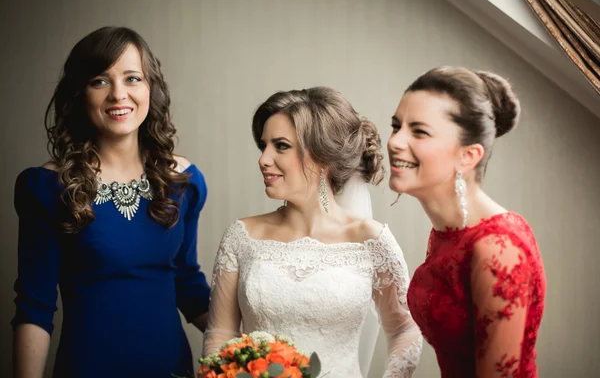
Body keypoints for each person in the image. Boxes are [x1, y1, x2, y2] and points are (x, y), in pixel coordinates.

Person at [12, 26, 211, 378]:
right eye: (100, 81)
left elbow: (187, 283)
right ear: (79, 93)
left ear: (151, 88)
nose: (119, 94)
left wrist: (252, 351)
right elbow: (34, 306)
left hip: (172, 370)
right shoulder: (46, 187)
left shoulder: (184, 181)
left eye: (132, 78)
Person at [203, 87, 422, 377]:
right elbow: (220, 331)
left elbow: (405, 328)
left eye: (280, 146)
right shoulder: (242, 236)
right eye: (263, 145)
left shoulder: (371, 240)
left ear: (322, 157)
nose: (263, 159)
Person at [387, 66, 546, 377]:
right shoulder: (449, 233)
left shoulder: (498, 249)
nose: (394, 141)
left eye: (419, 131)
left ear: (468, 156)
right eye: (396, 126)